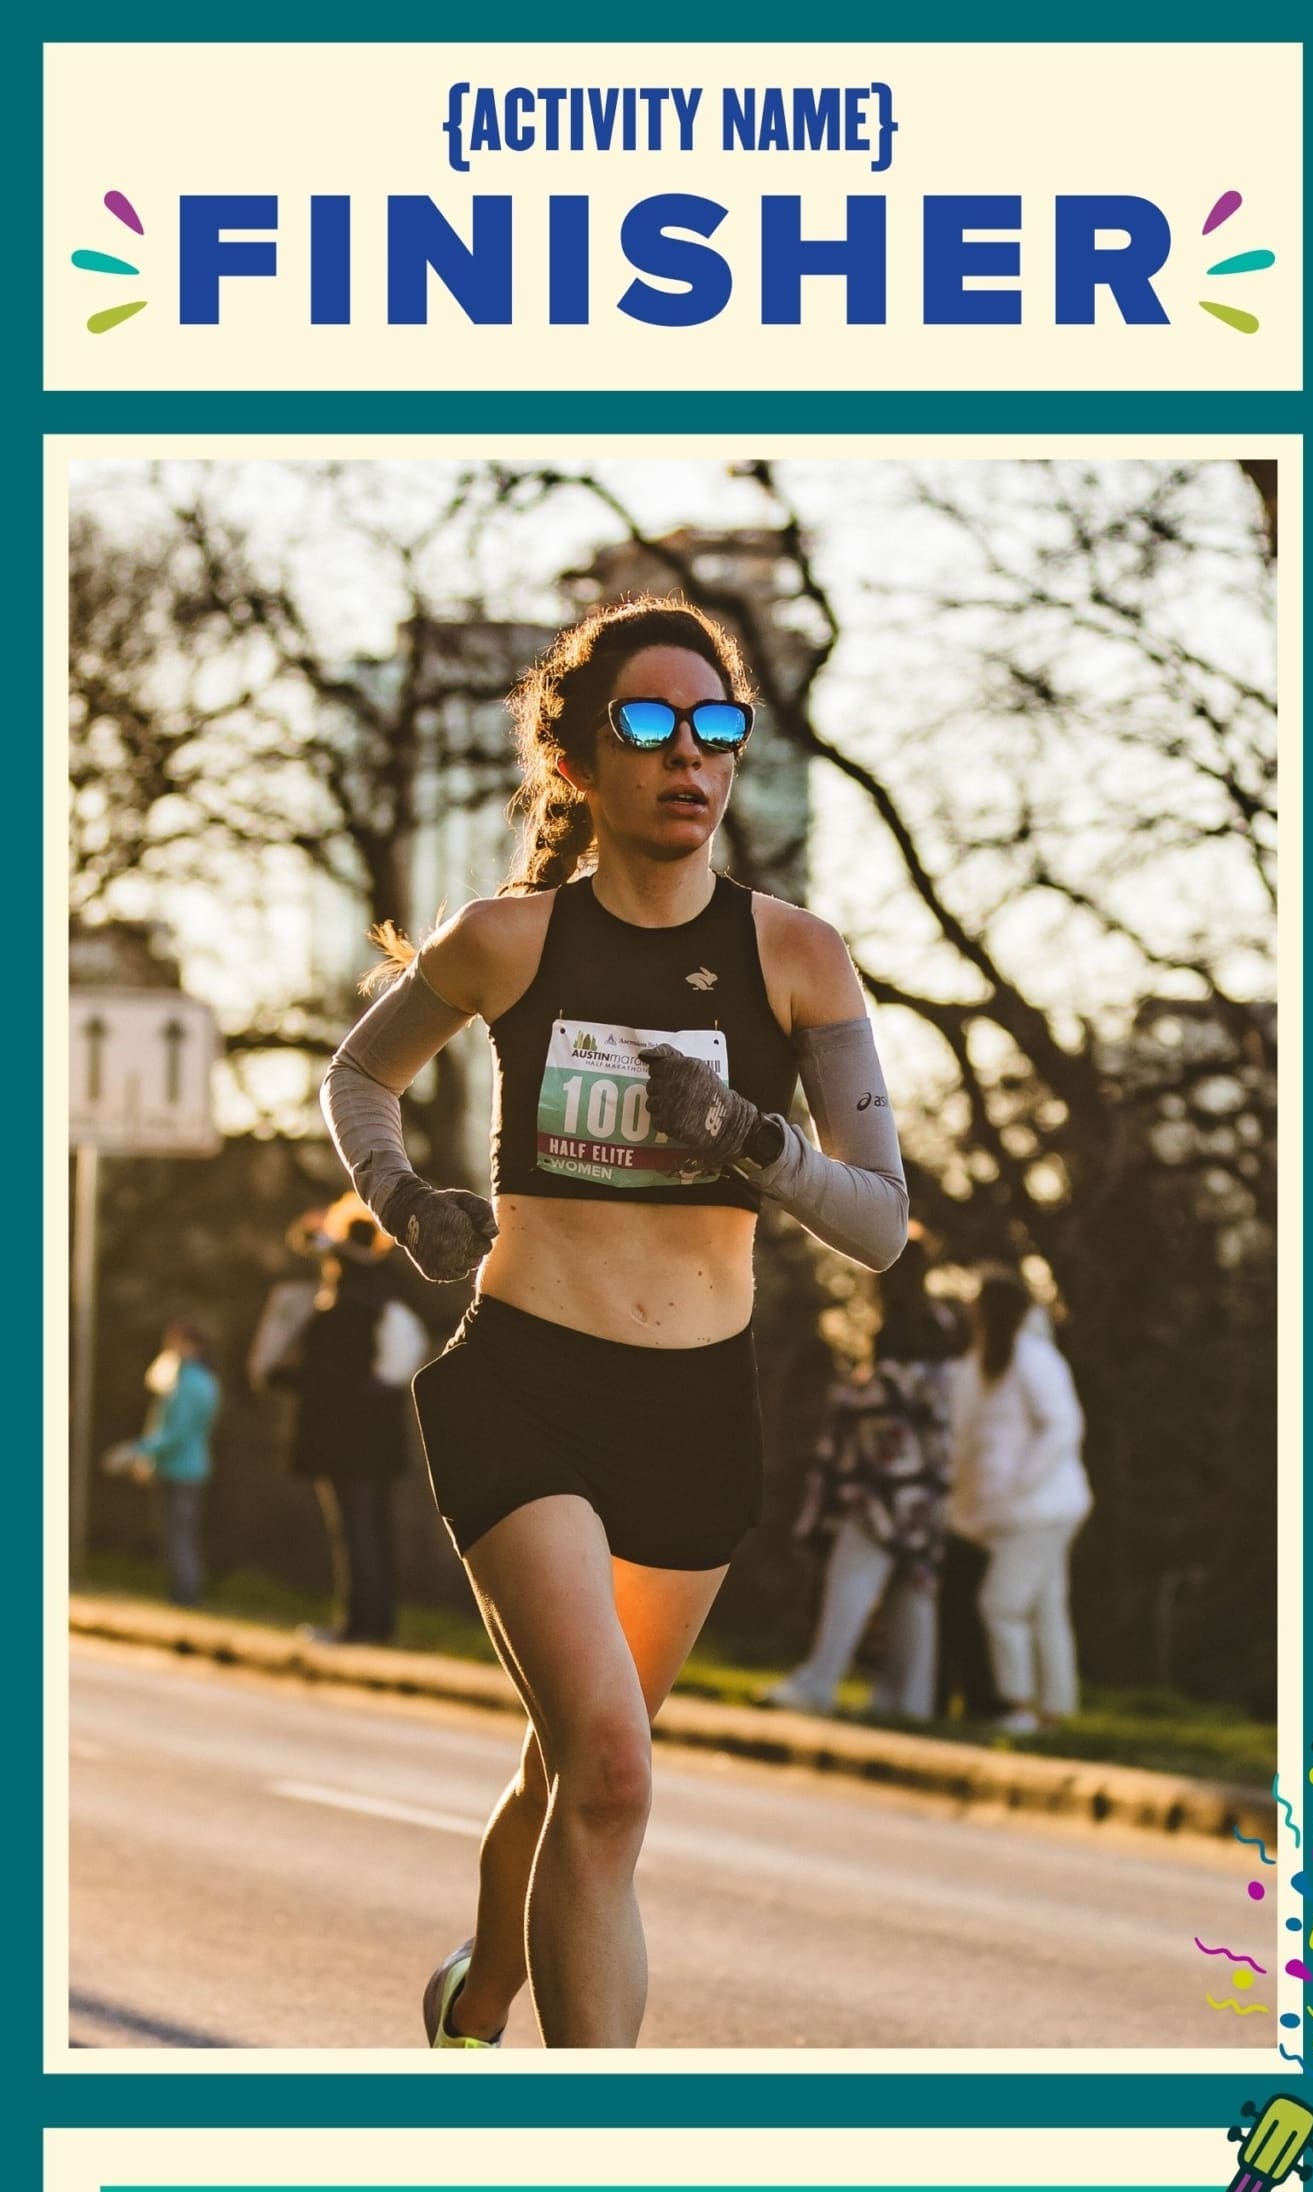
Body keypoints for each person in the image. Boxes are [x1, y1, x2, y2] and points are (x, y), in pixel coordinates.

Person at [319, 594, 907, 2050]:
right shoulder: (506, 942)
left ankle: (484, 1992)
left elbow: (882, 1223)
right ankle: (592, 2136)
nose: (688, 756)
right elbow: (358, 1078)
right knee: (615, 1771)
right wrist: (403, 1198)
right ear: (579, 761)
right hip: (523, 1384)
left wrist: (754, 1140)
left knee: (575, 1768)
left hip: (694, 1415)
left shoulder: (800, 958)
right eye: (647, 724)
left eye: (717, 726)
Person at [763, 1232, 952, 1721]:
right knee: (912, 1590)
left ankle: (820, 1681)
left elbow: (880, 1410)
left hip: (877, 1486)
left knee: (849, 1582)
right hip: (924, 1489)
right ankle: (909, 1699)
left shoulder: (892, 1334)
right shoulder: (943, 1331)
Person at [250, 1194, 429, 1647]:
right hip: (380, 1439)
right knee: (375, 1529)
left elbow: (325, 1378)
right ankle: (378, 1623)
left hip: (342, 1439)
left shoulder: (342, 1313)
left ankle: (356, 1625)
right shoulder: (386, 1302)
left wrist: (279, 1375)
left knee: (353, 1531)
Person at [946, 1268, 1091, 1735]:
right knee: (1046, 1606)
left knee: (1001, 1605)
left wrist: (1016, 1486)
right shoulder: (983, 1361)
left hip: (1042, 1509)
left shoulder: (1033, 1356)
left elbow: (1062, 1427)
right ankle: (1056, 1715)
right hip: (1022, 1512)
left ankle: (1019, 1708)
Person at [103, 1316, 221, 1607]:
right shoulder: (192, 1379)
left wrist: (137, 1450)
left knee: (179, 1534)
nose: (170, 1347)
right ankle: (182, 1593)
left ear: (192, 1345)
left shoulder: (191, 1384)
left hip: (182, 1469)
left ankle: (185, 1596)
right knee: (178, 1533)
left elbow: (176, 1432)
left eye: (176, 1341)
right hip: (183, 1467)